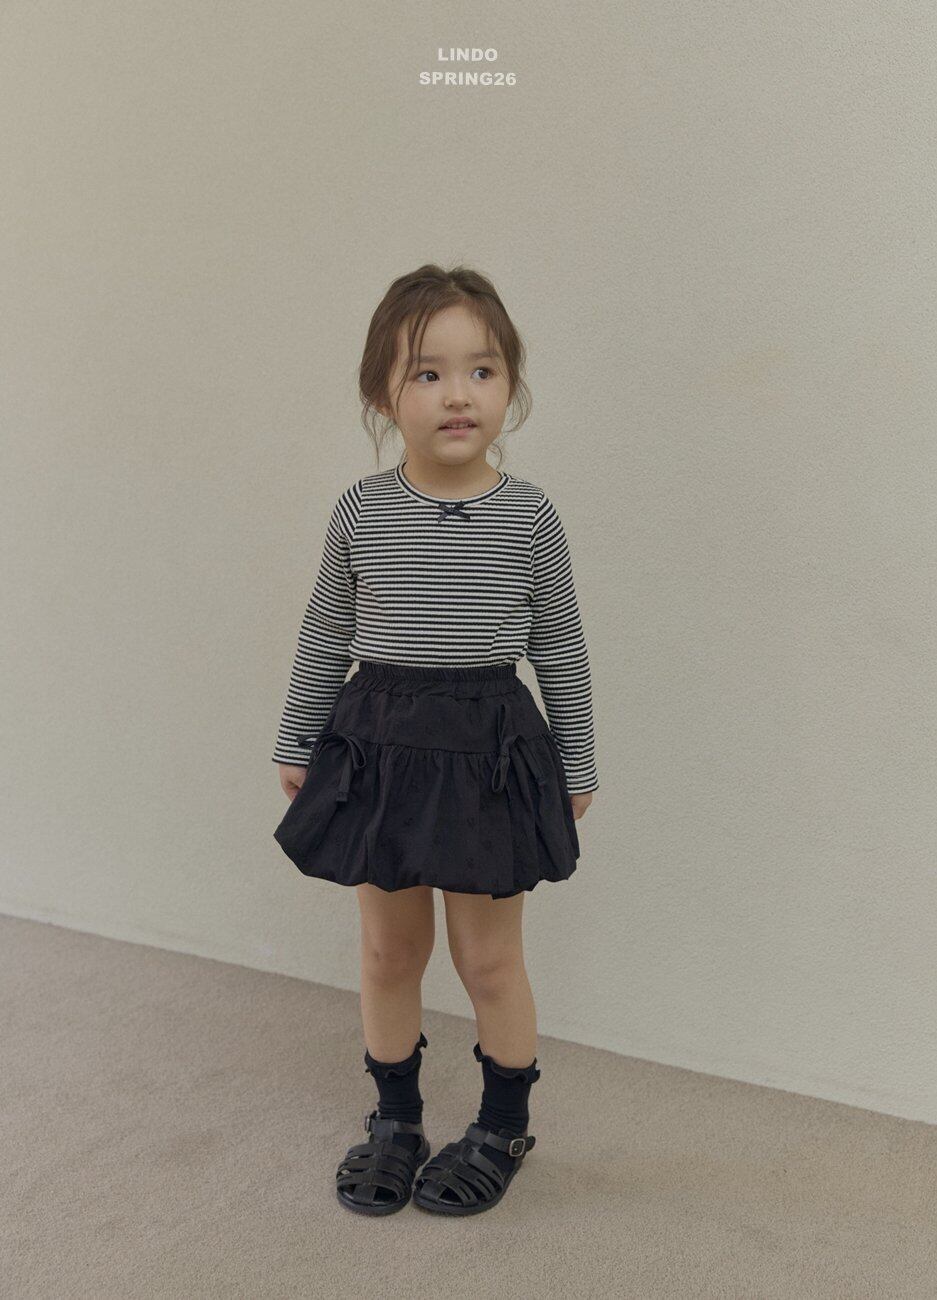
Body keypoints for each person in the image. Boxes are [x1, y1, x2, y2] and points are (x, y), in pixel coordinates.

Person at [271, 263, 599, 1217]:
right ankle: (395, 1119)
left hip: (489, 751)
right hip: (378, 745)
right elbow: (326, 631)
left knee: (487, 960)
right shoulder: (360, 510)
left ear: (509, 387)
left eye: (481, 370)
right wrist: (297, 739)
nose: (458, 394)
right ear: (384, 394)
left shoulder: (529, 516)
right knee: (387, 951)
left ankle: (501, 1126)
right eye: (427, 372)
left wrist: (576, 763)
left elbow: (560, 646)